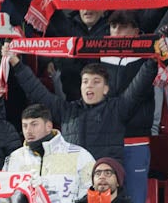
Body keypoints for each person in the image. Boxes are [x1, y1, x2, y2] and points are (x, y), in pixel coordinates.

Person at [9, 53, 159, 165]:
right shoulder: (67, 110)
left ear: (106, 88)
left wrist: (152, 61)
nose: (89, 85)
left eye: (96, 82)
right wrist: (16, 64)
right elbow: (38, 92)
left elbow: (139, 86)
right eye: (85, 81)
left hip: (105, 180)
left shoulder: (117, 108)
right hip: (72, 182)